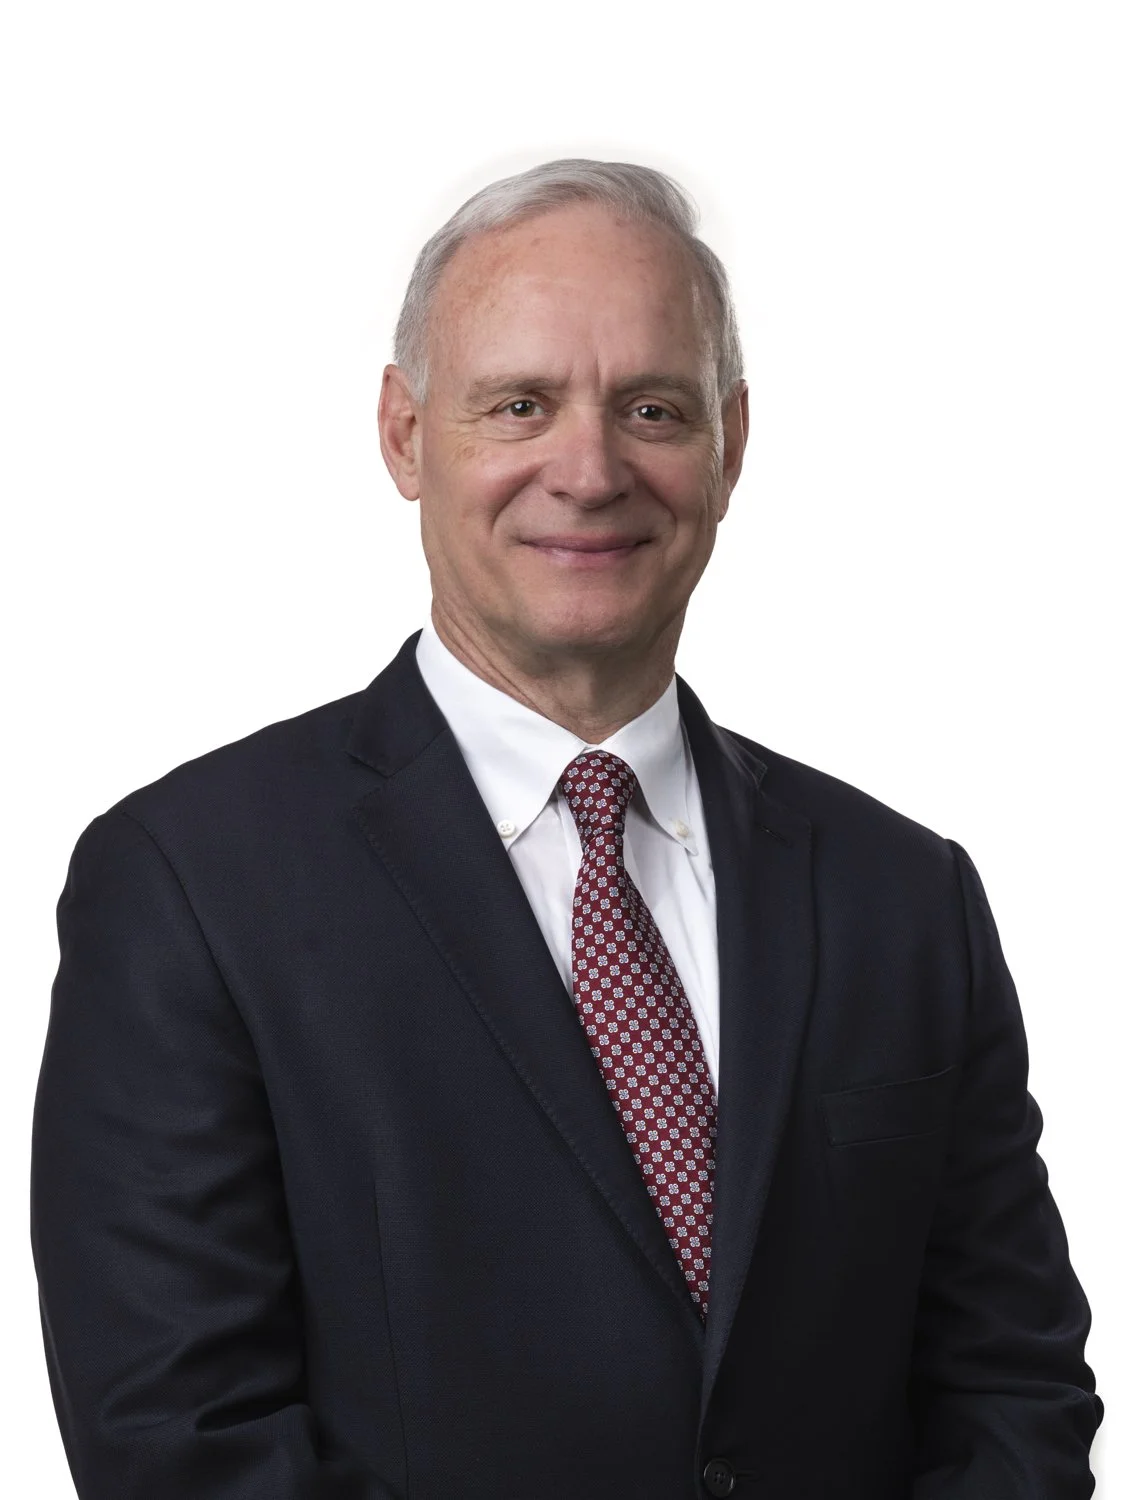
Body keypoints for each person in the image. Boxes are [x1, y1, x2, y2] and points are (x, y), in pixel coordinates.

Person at [30, 158, 1102, 1500]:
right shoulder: (190, 884)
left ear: (732, 443)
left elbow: (1011, 1388)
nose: (589, 471)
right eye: (520, 404)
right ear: (407, 437)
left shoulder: (903, 897)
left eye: (652, 407)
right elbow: (183, 1443)